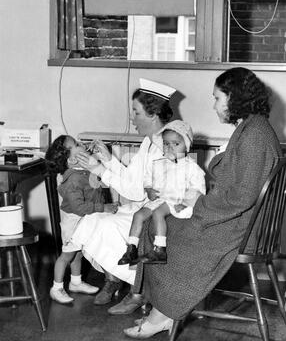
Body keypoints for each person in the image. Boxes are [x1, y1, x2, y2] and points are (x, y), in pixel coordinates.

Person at [123, 66, 282, 339]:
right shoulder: (253, 127)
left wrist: (199, 203)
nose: (214, 105)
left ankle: (163, 314)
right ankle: (163, 311)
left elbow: (241, 197)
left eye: (218, 98)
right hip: (241, 219)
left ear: (235, 98)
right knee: (159, 223)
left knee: (164, 229)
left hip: (242, 229)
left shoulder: (254, 134)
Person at [69, 79, 205, 315]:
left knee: (105, 224)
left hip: (163, 214)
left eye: (136, 111)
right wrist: (108, 159)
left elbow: (133, 190)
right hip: (145, 207)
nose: (132, 117)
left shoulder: (165, 146)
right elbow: (133, 180)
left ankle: (139, 290)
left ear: (153, 115)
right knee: (92, 220)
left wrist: (97, 170)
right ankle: (116, 280)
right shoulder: (148, 142)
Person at [118, 120, 206, 266]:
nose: (170, 148)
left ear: (186, 145)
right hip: (160, 199)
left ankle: (159, 249)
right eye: (166, 144)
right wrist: (149, 189)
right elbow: (147, 177)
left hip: (177, 201)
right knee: (138, 215)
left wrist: (185, 203)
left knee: (158, 213)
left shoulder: (191, 167)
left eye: (176, 144)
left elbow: (198, 188)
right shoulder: (159, 163)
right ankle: (131, 248)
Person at [45, 135, 119, 304]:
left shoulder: (82, 171)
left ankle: (76, 282)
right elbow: (79, 208)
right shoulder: (72, 181)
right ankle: (56, 288)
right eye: (77, 145)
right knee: (67, 255)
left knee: (77, 254)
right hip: (74, 222)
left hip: (83, 220)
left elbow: (97, 186)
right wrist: (104, 208)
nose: (82, 144)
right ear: (71, 161)